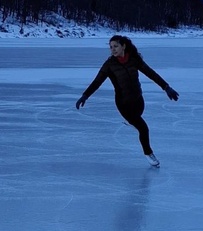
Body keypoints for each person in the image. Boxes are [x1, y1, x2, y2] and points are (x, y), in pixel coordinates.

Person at [75, 35, 179, 167]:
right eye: (111, 47)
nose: (113, 49)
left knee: (138, 117)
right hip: (123, 103)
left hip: (138, 100)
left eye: (116, 46)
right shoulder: (109, 65)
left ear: (123, 46)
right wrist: (85, 95)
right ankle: (149, 154)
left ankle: (131, 122)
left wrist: (166, 87)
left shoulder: (134, 59)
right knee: (143, 128)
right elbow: (97, 81)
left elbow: (150, 73)